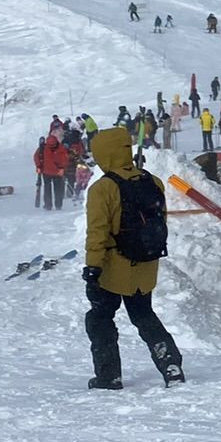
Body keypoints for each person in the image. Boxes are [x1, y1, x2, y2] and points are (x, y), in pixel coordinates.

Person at [81, 126, 183, 390]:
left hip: (113, 270)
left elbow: (97, 234)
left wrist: (92, 269)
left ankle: (108, 376)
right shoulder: (153, 181)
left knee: (100, 319)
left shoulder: (103, 188)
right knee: (143, 315)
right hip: (146, 265)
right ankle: (171, 366)